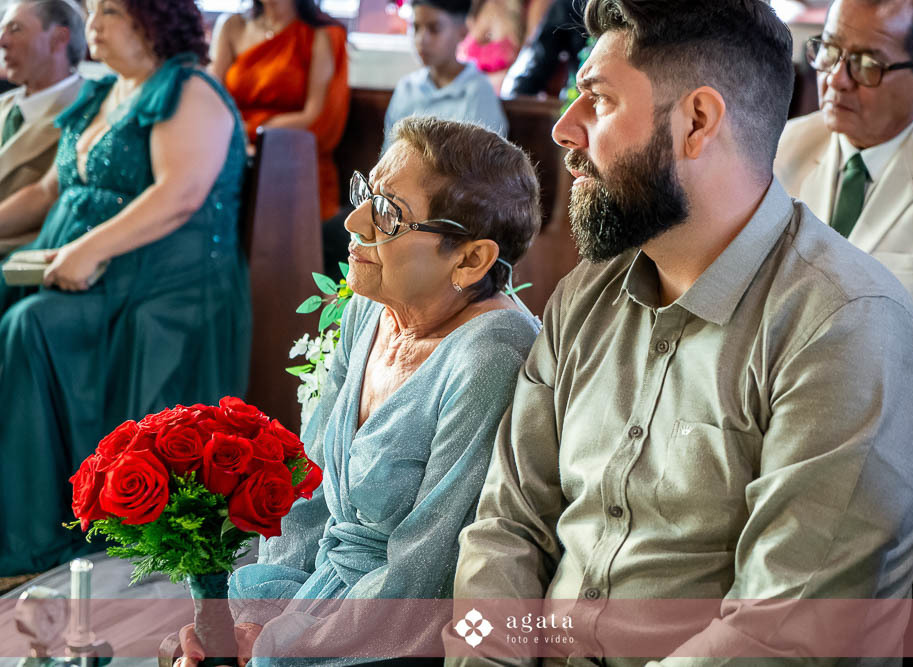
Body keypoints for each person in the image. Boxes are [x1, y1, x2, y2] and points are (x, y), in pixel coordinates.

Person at [447, 0, 913, 663]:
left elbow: (779, 634)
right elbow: (505, 528)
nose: (565, 130)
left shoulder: (846, 327)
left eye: (599, 101)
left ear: (698, 122)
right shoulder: (587, 294)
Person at [176, 117, 541, 666]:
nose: (353, 220)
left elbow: (425, 574)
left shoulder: (490, 355)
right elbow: (307, 493)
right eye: (366, 192)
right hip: (319, 602)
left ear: (471, 260)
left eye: (389, 213)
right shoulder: (370, 309)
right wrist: (256, 618)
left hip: (398, 632)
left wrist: (280, 643)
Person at [0, 0, 251, 577]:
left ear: (154, 17)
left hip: (163, 288)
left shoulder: (187, 91)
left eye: (110, 11)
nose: (93, 25)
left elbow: (180, 194)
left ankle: (37, 534)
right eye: (92, 10)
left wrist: (87, 250)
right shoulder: (101, 93)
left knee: (28, 325)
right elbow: (48, 191)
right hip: (90, 275)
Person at [773, 0, 913, 464]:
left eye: (866, 65)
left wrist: (791, 426)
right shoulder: (783, 145)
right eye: (829, 51)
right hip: (763, 425)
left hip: (883, 458)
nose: (836, 79)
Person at [209, 0, 349, 219]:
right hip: (229, 150)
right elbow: (211, 98)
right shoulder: (232, 26)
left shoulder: (321, 34)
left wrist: (252, 131)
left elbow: (315, 116)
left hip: (291, 159)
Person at [0, 0, 85, 253]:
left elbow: (46, 200)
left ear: (59, 38)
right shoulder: (3, 105)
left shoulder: (88, 112)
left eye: (15, 29)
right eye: (2, 30)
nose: (3, 41)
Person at [381, 0, 507, 155]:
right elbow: (389, 155)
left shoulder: (478, 92)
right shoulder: (406, 88)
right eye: (416, 27)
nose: (421, 39)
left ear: (462, 32)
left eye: (434, 29)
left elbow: (483, 163)